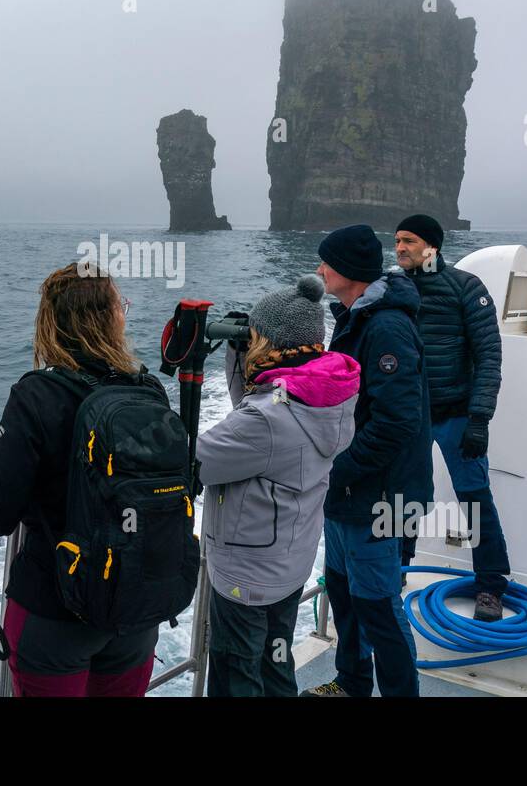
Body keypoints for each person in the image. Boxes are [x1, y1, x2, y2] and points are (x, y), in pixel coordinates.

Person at [0, 263, 171, 697]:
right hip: (136, 608)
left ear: (50, 324)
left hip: (55, 611)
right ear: (112, 320)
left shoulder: (37, 395)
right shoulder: (148, 390)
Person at [196, 274, 359, 697]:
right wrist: (238, 358)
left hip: (244, 577)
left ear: (267, 343)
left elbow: (194, 462)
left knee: (237, 680)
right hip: (287, 566)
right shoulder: (323, 397)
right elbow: (257, 410)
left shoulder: (267, 421)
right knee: (275, 668)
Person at [301, 225, 433, 698]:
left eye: (326, 264)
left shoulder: (386, 326)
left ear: (350, 273)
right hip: (348, 492)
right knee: (342, 591)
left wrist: (337, 469)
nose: (319, 271)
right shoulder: (353, 317)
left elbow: (398, 422)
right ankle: (352, 683)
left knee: (377, 604)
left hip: (379, 496)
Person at [394, 214, 510, 621]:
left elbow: (489, 356)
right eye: (397, 241)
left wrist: (480, 418)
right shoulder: (393, 288)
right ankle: (397, 569)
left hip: (458, 414)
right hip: (409, 415)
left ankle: (491, 586)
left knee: (475, 498)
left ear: (432, 246)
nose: (401, 248)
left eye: (409, 240)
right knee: (401, 495)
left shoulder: (465, 287)